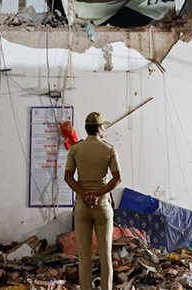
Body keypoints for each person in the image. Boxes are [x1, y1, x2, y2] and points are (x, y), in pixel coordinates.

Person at [64, 112, 122, 290]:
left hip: (82, 206)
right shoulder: (109, 149)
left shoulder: (76, 149)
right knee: (105, 255)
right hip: (102, 206)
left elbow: (68, 177)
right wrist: (97, 195)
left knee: (84, 256)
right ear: (98, 128)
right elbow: (117, 178)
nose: (104, 129)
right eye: (103, 126)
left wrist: (85, 194)